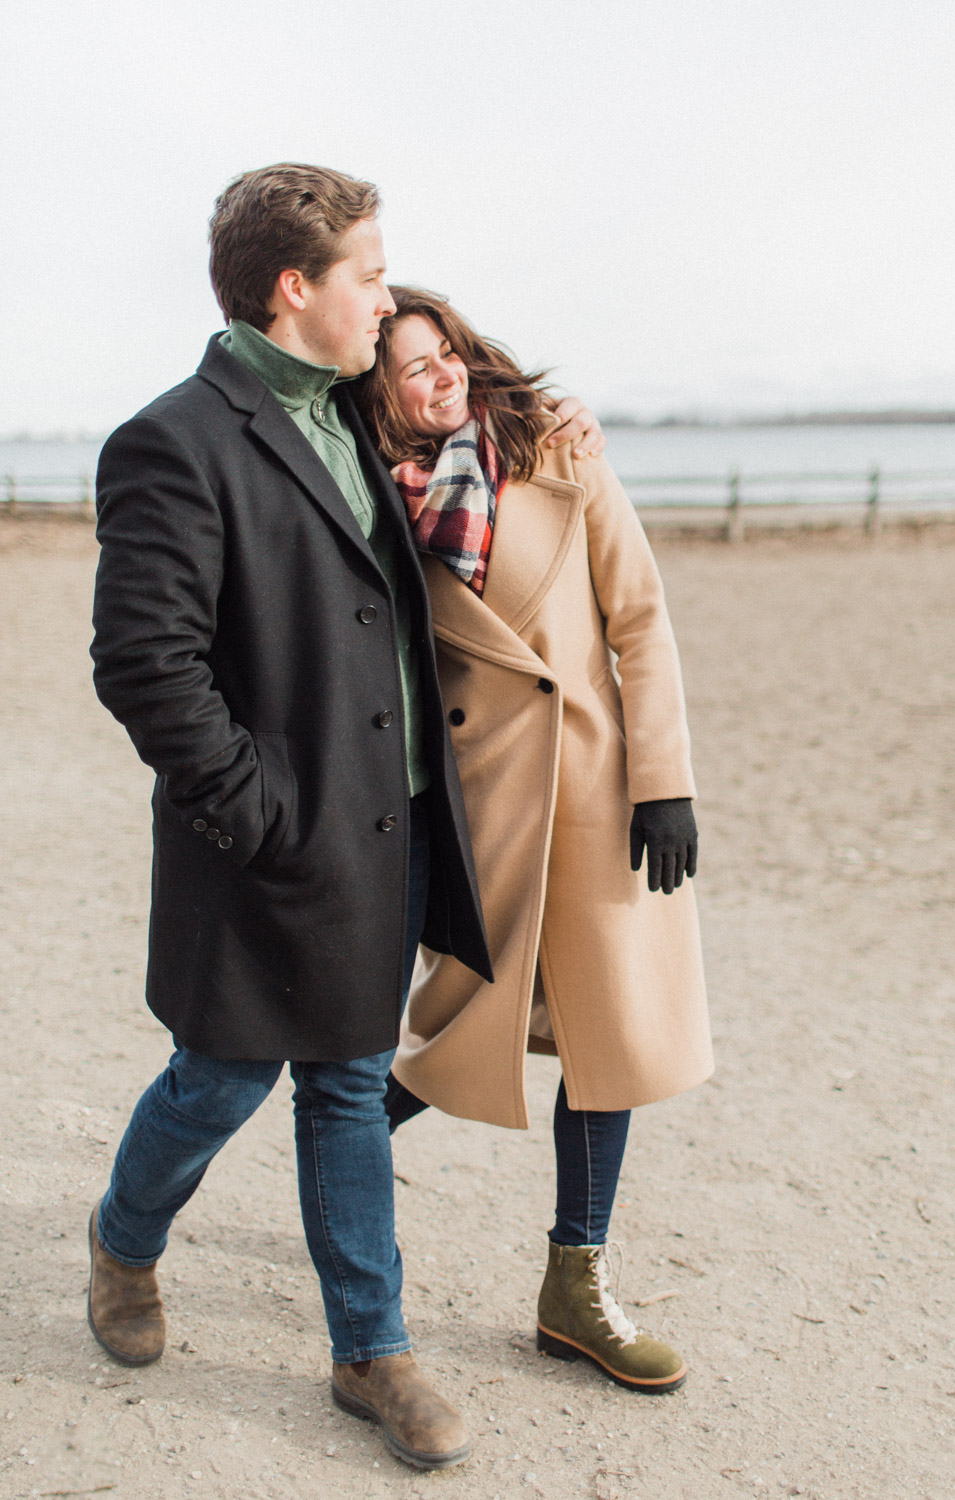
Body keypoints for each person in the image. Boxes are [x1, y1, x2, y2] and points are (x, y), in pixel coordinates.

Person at [86, 163, 603, 1473]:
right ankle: (123, 1244)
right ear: (294, 285)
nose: (388, 297)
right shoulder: (173, 441)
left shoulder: (359, 420)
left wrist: (557, 433)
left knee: (348, 1087)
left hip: (384, 840)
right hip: (266, 847)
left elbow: (468, 465)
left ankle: (371, 1351)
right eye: (369, 274)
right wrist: (266, 815)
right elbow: (146, 663)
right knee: (217, 1078)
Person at [363, 287, 713, 1395]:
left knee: (605, 1033)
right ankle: (340, 1182)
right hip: (477, 808)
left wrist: (665, 780)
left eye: (447, 354)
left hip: (599, 794)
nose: (442, 377)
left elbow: (640, 619)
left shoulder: (557, 455)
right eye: (413, 369)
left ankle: (577, 1285)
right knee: (453, 1026)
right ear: (378, 394)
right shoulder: (369, 497)